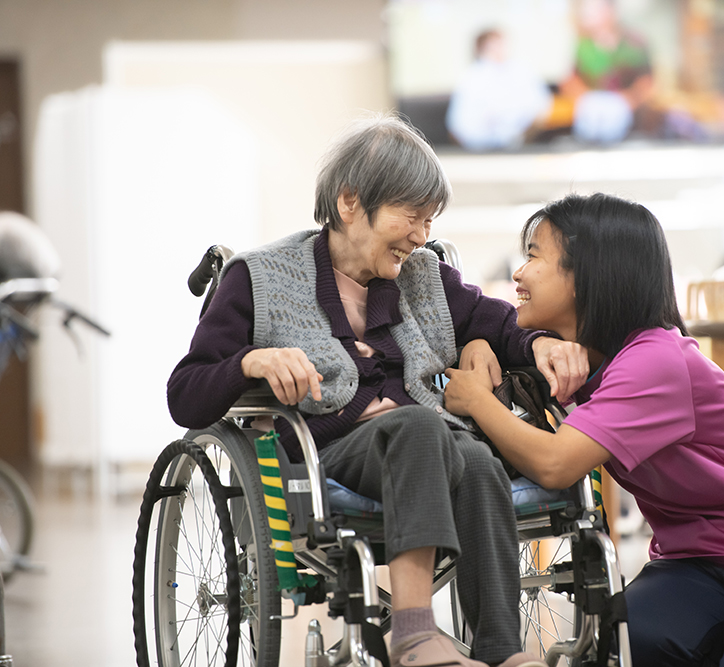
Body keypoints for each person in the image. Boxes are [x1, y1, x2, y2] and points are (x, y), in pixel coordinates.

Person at [166, 114, 587, 667]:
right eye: (411, 215)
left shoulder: (423, 276)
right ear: (349, 202)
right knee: (419, 427)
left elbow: (496, 321)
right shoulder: (261, 279)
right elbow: (186, 393)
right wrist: (252, 360)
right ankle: (413, 635)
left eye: (430, 220)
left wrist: (534, 347)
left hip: (432, 444)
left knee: (480, 461)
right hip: (329, 452)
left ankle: (501, 652)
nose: (421, 235)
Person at [443, 192, 724, 666]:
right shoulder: (578, 356)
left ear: (589, 275)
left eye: (534, 256)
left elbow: (556, 464)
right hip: (690, 566)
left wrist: (477, 400)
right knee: (623, 644)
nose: (518, 274)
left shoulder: (654, 360)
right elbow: (485, 324)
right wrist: (480, 341)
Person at [560, 0, 655, 143]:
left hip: (629, 117)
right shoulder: (583, 45)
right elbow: (570, 81)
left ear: (611, 11)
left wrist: (629, 100)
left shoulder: (634, 43)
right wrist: (587, 99)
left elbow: (647, 81)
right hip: (592, 113)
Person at [445, 29, 553, 151]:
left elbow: (540, 106)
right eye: (492, 46)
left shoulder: (521, 72)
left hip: (521, 143)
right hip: (478, 147)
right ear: (480, 50)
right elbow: (459, 124)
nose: (499, 50)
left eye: (500, 44)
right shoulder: (471, 78)